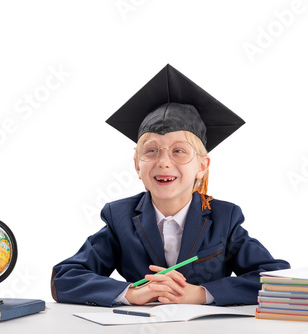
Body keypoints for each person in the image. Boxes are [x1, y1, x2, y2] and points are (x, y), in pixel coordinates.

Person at [51, 64, 290, 307]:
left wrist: (201, 294)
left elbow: (277, 280)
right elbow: (65, 277)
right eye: (152, 151)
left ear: (202, 166)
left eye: (179, 151)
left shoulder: (223, 219)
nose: (164, 162)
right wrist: (130, 293)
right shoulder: (119, 219)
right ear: (137, 165)